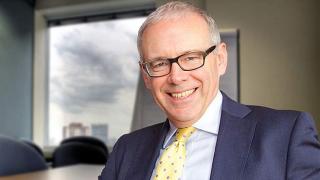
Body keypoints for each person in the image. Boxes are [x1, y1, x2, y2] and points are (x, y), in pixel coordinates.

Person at [99, 1, 320, 180]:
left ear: (221, 59)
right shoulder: (126, 150)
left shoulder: (286, 135)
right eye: (159, 64)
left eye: (191, 57)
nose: (176, 77)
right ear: (146, 75)